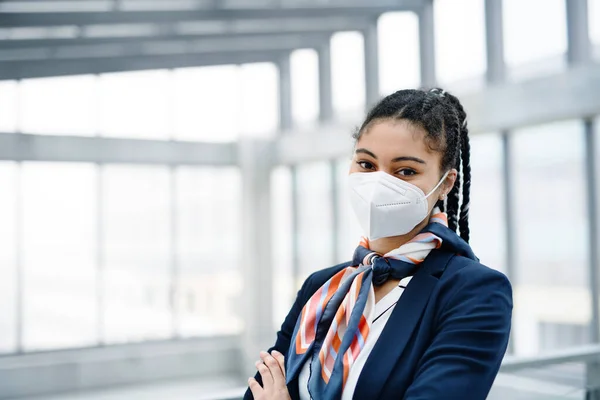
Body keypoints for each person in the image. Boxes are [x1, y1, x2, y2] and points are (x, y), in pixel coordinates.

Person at [244, 88, 512, 400]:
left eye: (406, 171)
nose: (379, 184)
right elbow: (258, 391)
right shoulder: (321, 288)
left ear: (446, 183)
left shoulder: (475, 293)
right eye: (367, 165)